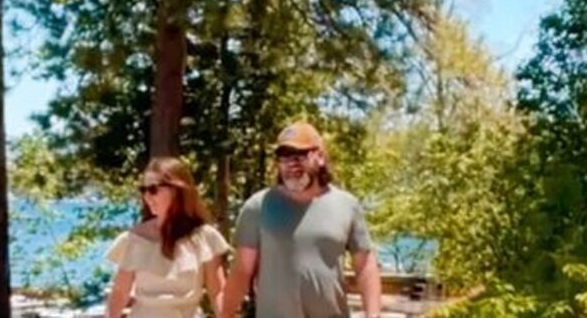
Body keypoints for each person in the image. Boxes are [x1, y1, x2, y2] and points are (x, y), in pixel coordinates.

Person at [219, 121, 383, 318]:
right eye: (283, 157)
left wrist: (373, 315)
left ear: (320, 157)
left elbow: (365, 265)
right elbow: (241, 272)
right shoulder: (258, 206)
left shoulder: (347, 205)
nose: (291, 164)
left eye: (300, 155)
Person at [105, 157, 229, 318]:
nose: (147, 197)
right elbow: (120, 293)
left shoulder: (205, 238)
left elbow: (218, 292)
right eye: (143, 190)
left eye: (153, 189)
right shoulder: (133, 239)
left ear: (177, 190)